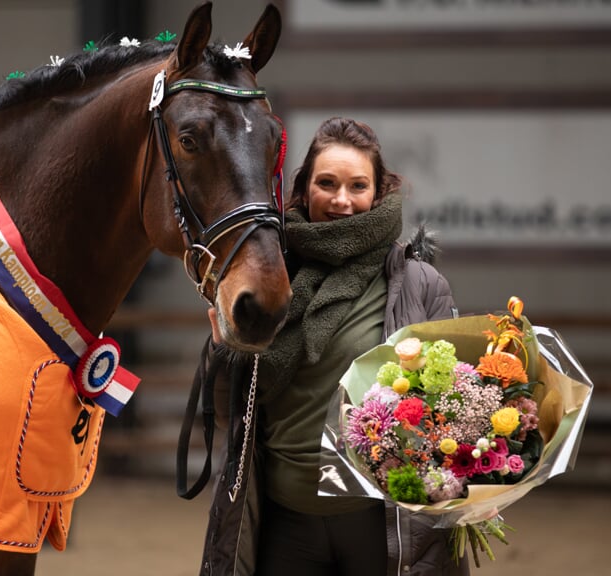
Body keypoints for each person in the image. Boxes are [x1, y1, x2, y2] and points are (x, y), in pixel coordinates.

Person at [181, 117, 466, 576]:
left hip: (380, 526)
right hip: (284, 525)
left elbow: (450, 411)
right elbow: (226, 412)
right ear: (304, 188)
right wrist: (223, 353)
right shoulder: (270, 280)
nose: (342, 199)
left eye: (358, 185)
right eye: (327, 183)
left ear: (378, 191)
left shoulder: (418, 283)